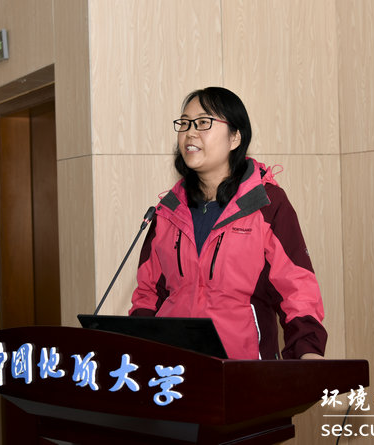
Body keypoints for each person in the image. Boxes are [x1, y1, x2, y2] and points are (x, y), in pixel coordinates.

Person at [129, 87, 327, 360]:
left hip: (244, 370)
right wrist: (139, 352)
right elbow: (147, 295)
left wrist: (308, 351)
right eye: (184, 123)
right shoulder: (168, 211)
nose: (190, 132)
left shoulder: (266, 204)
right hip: (175, 370)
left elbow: (297, 289)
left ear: (235, 137)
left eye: (203, 122)